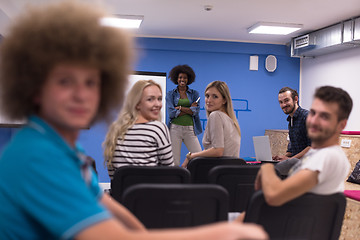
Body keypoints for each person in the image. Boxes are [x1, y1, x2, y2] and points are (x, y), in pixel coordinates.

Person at [0, 2, 268, 240]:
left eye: (91, 82)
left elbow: (108, 206)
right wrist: (223, 232)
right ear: (34, 88)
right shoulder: (37, 157)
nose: (81, 94)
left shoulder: (66, 151)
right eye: (64, 81)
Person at [255, 86, 352, 207]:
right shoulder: (317, 154)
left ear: (341, 125)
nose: (313, 120)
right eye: (313, 113)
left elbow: (275, 195)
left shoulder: (328, 157)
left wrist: (266, 169)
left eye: (324, 116)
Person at [103, 80, 174, 180]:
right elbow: (170, 173)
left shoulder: (115, 130)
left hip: (122, 194)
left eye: (159, 99)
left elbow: (113, 176)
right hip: (153, 194)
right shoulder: (158, 128)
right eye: (150, 99)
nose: (158, 104)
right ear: (137, 104)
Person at [182, 81, 241, 168]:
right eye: (207, 96)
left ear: (224, 100)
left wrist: (191, 156)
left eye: (215, 97)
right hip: (228, 175)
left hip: (216, 174)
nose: (209, 100)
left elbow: (218, 150)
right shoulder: (232, 121)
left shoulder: (216, 115)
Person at [166, 65, 202, 166]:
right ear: (176, 79)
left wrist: (180, 108)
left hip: (190, 129)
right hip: (174, 129)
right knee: (174, 161)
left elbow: (195, 111)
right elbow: (171, 113)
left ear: (188, 79)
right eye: (180, 77)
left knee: (199, 156)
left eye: (185, 78)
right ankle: (175, 180)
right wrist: (189, 109)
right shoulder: (170, 94)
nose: (182, 79)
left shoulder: (194, 94)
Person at [273, 87, 311, 161]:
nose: (283, 105)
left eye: (286, 100)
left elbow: (312, 147)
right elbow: (293, 148)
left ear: (296, 99)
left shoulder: (307, 117)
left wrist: (290, 160)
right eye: (281, 102)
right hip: (297, 164)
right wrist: (282, 157)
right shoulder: (291, 120)